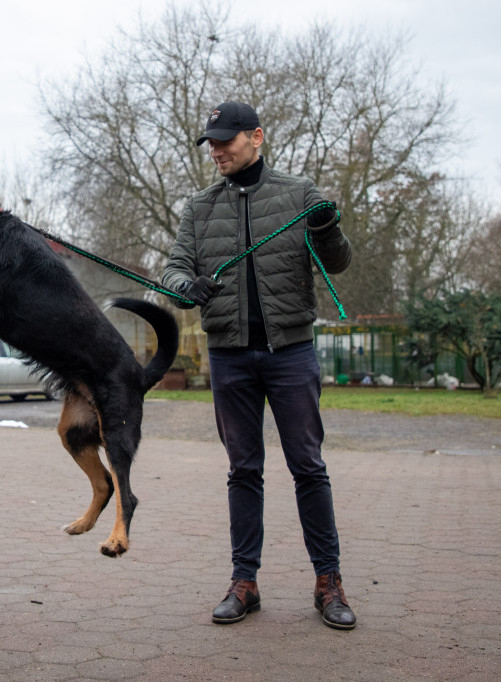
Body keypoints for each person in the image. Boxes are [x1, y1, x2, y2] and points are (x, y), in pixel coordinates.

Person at [161, 102, 357, 630]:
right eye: (211, 143)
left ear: (257, 137)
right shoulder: (199, 208)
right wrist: (186, 287)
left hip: (290, 353)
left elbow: (337, 261)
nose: (217, 151)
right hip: (229, 357)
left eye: (226, 140)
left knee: (308, 467)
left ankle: (329, 582)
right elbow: (173, 270)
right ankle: (244, 582)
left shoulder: (298, 193)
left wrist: (327, 229)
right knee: (243, 471)